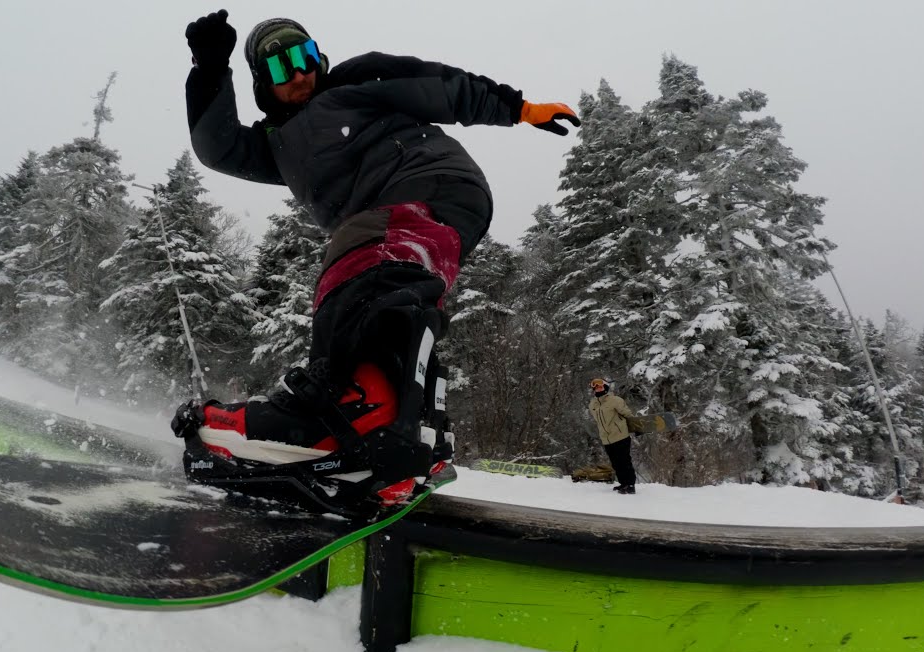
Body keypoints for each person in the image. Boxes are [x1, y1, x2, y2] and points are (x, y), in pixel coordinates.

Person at [170, 11, 580, 507]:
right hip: (406, 217)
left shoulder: (354, 83)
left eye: (303, 57)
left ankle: (348, 412)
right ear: (264, 86)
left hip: (426, 179)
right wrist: (210, 68)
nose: (299, 74)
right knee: (384, 289)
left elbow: (440, 87)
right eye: (281, 69)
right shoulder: (275, 145)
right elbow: (217, 148)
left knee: (360, 267)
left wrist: (519, 108)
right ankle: (413, 418)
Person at [588, 378, 639, 494]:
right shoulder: (592, 405)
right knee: (615, 463)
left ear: (605, 387)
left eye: (600, 387)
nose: (597, 389)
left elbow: (628, 415)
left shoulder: (615, 400)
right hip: (606, 439)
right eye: (595, 388)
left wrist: (637, 427)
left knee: (624, 461)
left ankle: (630, 485)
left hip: (621, 436)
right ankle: (623, 483)